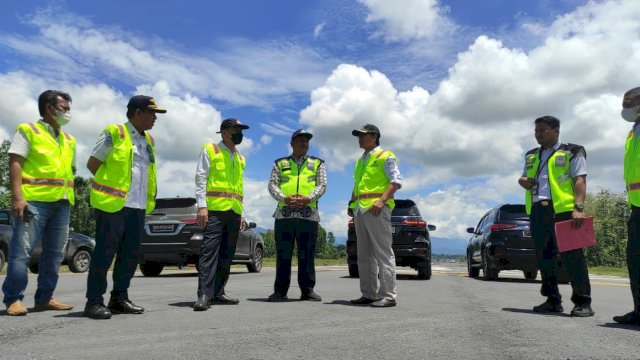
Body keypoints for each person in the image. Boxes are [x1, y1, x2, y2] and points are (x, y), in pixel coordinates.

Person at [84, 95, 166, 320]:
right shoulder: (115, 132)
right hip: (113, 205)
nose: (155, 118)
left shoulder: (149, 140)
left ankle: (119, 298)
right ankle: (94, 302)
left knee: (130, 256)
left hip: (138, 207)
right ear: (138, 113)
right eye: (152, 113)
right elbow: (93, 164)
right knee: (104, 254)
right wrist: (112, 190)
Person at [2, 90, 76, 316]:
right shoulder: (28, 130)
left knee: (54, 254)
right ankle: (13, 299)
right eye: (64, 108)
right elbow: (15, 162)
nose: (68, 112)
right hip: (34, 201)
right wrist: (17, 197)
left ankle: (45, 298)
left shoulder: (68, 139)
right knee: (21, 252)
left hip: (62, 202)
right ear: (49, 108)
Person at [517, 116, 594, 317]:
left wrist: (578, 207)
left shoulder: (572, 151)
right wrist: (523, 180)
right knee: (544, 257)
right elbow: (526, 176)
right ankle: (552, 300)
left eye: (543, 130)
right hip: (538, 211)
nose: (538, 134)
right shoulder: (531, 155)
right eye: (536, 131)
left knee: (573, 257)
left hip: (564, 211)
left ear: (556, 131)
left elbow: (580, 179)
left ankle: (582, 302)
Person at [193, 118, 249, 311]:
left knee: (227, 254)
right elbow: (201, 177)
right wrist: (202, 206)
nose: (239, 133)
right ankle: (204, 295)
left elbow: (238, 187)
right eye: (236, 129)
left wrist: (242, 214)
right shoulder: (211, 150)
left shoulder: (240, 158)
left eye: (241, 129)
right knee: (209, 253)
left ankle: (218, 292)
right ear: (224, 132)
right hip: (215, 210)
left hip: (234, 211)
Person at [267, 129, 327, 302]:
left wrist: (309, 198)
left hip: (308, 215)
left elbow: (322, 185)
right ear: (292, 143)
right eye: (300, 140)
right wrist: (284, 198)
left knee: (307, 254)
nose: (304, 144)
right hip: (284, 214)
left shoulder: (318, 163)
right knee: (283, 254)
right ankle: (280, 291)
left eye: (306, 141)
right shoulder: (280, 163)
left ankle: (307, 291)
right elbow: (272, 185)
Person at [348, 124, 402, 308]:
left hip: (376, 208)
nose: (359, 139)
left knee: (383, 252)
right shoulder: (360, 161)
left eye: (362, 135)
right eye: (358, 136)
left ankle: (388, 295)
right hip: (360, 209)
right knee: (364, 254)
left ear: (374, 136)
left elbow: (396, 181)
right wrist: (351, 203)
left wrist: (382, 201)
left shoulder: (386, 156)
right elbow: (358, 185)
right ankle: (369, 294)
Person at [615, 87, 640, 325]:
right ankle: (639, 310)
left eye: (628, 103)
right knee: (635, 259)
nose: (625, 109)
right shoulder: (632, 133)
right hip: (637, 206)